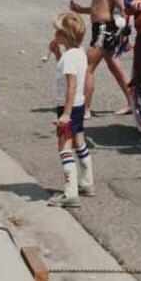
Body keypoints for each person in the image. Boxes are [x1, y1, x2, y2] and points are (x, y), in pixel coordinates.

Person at [70, 0, 133, 118]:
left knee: (87, 68)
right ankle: (132, 102)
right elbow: (98, 9)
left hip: (105, 30)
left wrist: (125, 31)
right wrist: (80, 9)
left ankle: (85, 109)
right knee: (115, 67)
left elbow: (123, 7)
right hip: (100, 29)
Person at [47, 12, 94, 209]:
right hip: (78, 105)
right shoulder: (78, 53)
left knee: (64, 146)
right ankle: (87, 182)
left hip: (68, 106)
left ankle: (70, 192)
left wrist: (65, 113)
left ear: (64, 36)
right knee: (79, 140)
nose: (54, 34)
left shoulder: (68, 59)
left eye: (57, 32)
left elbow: (71, 85)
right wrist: (57, 52)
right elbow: (71, 73)